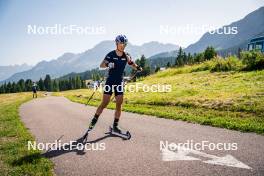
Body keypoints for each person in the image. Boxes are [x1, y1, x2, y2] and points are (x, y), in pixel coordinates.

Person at [87, 35, 142, 133]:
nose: (123, 45)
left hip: (119, 82)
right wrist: (108, 64)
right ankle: (94, 120)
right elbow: (101, 65)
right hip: (110, 82)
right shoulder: (111, 54)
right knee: (104, 103)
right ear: (117, 43)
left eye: (124, 44)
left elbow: (131, 63)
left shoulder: (126, 55)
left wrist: (137, 67)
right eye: (121, 43)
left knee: (119, 103)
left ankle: (115, 126)